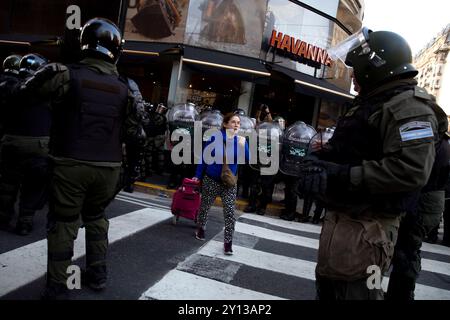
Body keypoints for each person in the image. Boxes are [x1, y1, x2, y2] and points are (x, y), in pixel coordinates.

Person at [298, 28, 447, 300]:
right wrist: (316, 162)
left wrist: (340, 175)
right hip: (345, 222)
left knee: (358, 295)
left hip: (370, 227)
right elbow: (347, 148)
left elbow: (410, 171)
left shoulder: (409, 107)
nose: (353, 75)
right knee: (330, 291)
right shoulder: (374, 102)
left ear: (375, 66)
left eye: (357, 68)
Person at [18, 18, 147, 299]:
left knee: (64, 222)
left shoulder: (65, 74)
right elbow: (137, 132)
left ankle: (57, 286)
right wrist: (133, 170)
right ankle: (97, 273)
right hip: (109, 167)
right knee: (97, 218)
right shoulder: (127, 86)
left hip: (70, 163)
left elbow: (23, 94)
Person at [0, 53, 51, 235]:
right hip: (39, 143)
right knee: (33, 185)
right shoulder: (47, 90)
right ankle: (25, 222)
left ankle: (4, 216)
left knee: (7, 182)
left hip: (11, 140)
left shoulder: (8, 85)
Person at [193, 113, 250, 255]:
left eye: (238, 123)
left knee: (230, 213)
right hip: (211, 179)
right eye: (233, 122)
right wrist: (197, 176)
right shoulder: (214, 138)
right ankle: (201, 228)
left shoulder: (241, 140)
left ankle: (228, 243)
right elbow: (204, 158)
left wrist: (243, 145)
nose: (237, 125)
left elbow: (247, 160)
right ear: (225, 124)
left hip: (229, 183)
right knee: (205, 207)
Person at [143, 103, 168, 177]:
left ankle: (149, 169)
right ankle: (160, 170)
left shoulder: (155, 116)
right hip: (160, 137)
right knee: (160, 154)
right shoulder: (164, 117)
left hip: (154, 137)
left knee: (149, 153)